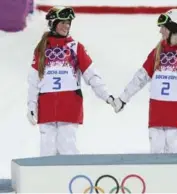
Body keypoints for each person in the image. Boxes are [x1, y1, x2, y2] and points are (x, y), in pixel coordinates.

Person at [27, 6, 115, 156]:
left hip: (69, 108)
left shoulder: (75, 48)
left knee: (67, 149)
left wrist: (107, 96)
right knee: (46, 151)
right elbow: (34, 80)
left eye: (68, 23)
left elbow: (92, 75)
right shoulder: (41, 49)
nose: (66, 26)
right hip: (46, 109)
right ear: (53, 24)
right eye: (62, 22)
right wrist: (31, 105)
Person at [113, 9, 177, 153]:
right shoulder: (157, 52)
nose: (161, 31)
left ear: (175, 28)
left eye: (164, 27)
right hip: (156, 120)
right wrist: (123, 99)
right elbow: (140, 78)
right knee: (158, 168)